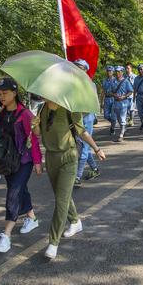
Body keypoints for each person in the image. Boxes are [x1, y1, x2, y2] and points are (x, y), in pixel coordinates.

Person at [31, 99, 106, 259]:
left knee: (61, 200)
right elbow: (38, 134)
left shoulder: (69, 109)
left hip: (69, 156)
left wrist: (97, 148)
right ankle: (75, 221)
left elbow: (82, 131)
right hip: (51, 157)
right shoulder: (42, 108)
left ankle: (53, 242)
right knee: (61, 195)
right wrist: (35, 124)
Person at [0, 77, 42, 253]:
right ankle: (32, 218)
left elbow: (34, 139)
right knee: (20, 190)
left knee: (13, 194)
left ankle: (6, 235)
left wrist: (37, 161)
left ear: (15, 93)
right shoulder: (0, 112)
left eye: (5, 93)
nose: (2, 96)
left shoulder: (25, 115)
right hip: (6, 161)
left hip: (23, 161)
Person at [72, 59, 100, 187]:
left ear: (84, 70)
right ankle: (94, 168)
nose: (76, 69)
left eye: (79, 67)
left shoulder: (90, 85)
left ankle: (77, 177)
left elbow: (91, 104)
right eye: (75, 67)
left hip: (86, 117)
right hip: (75, 118)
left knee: (83, 145)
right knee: (83, 144)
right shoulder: (72, 84)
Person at [110, 66, 133, 142]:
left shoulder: (126, 81)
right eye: (116, 72)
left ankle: (121, 135)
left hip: (123, 102)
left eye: (119, 72)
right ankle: (123, 129)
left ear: (122, 72)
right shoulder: (113, 81)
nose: (118, 73)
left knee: (122, 118)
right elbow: (110, 91)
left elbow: (130, 91)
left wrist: (124, 96)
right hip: (116, 102)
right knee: (119, 118)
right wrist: (114, 95)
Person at [100, 66, 116, 133]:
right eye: (108, 71)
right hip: (106, 99)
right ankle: (113, 122)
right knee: (106, 116)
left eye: (110, 71)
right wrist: (101, 102)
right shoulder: (104, 80)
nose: (109, 72)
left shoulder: (116, 80)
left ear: (113, 72)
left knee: (113, 115)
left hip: (114, 99)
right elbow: (103, 91)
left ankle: (112, 128)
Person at [124, 63, 136, 127]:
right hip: (125, 95)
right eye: (126, 68)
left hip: (132, 95)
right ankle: (129, 118)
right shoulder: (124, 77)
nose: (127, 69)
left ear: (131, 69)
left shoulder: (135, 76)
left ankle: (131, 119)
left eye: (128, 68)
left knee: (131, 109)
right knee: (126, 109)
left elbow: (136, 86)